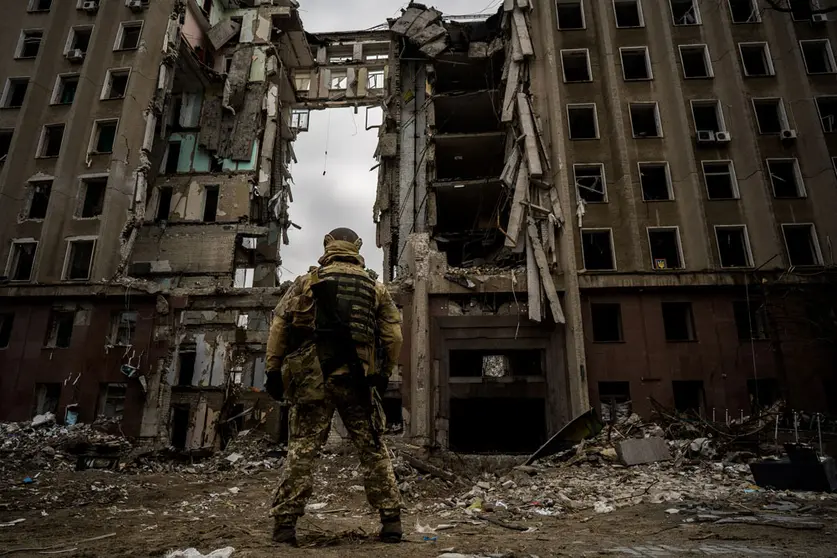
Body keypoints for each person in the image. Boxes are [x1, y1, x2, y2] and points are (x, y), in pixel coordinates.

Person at [264, 227, 404, 545]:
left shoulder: (304, 283)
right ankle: (391, 521)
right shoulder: (375, 287)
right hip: (357, 380)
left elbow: (278, 326)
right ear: (357, 247)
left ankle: (285, 526)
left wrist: (273, 370)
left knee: (301, 451)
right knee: (372, 450)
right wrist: (382, 375)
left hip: (312, 379)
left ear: (328, 245)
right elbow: (394, 336)